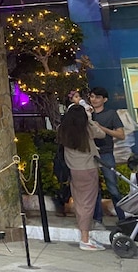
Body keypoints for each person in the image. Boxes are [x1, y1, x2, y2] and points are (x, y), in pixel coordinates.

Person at [57, 103, 107, 250]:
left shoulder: (62, 129)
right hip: (88, 168)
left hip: (73, 169)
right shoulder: (86, 129)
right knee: (87, 204)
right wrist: (90, 119)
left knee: (79, 202)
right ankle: (85, 239)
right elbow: (101, 134)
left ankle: (85, 236)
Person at [89, 87, 127, 225]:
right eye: (92, 96)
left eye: (97, 97)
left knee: (112, 187)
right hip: (89, 154)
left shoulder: (111, 114)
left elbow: (121, 135)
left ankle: (122, 218)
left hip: (105, 153)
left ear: (105, 99)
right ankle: (97, 219)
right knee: (94, 188)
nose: (94, 99)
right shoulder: (86, 114)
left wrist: (101, 128)